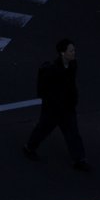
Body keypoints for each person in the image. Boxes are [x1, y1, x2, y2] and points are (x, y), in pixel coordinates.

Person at [24, 39, 88, 171]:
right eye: (71, 50)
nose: (74, 52)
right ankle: (29, 147)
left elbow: (71, 85)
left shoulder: (73, 65)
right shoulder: (53, 70)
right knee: (43, 129)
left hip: (67, 107)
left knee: (73, 133)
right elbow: (46, 90)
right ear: (62, 53)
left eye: (74, 50)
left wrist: (72, 99)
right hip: (53, 109)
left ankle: (79, 160)